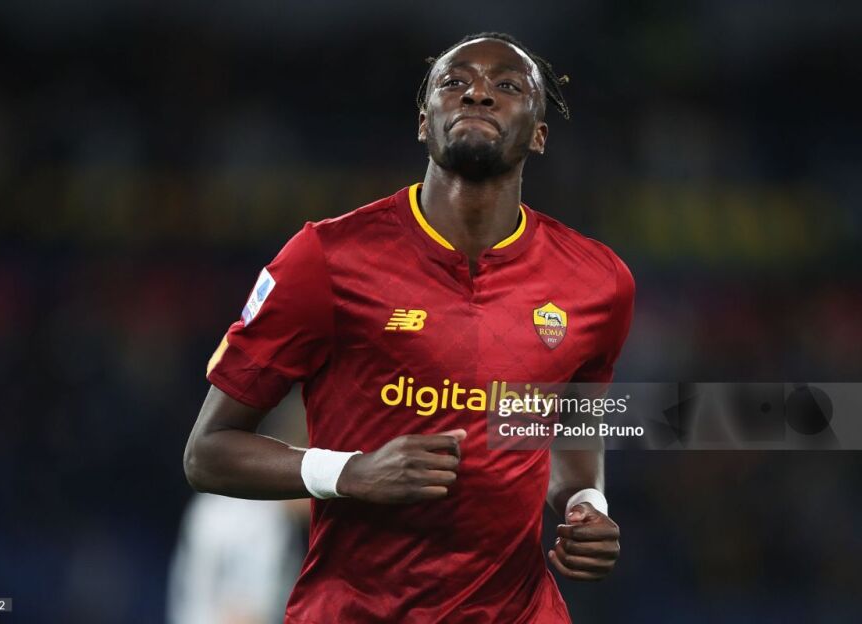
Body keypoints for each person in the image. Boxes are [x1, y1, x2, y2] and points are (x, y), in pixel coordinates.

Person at [184, 32, 634, 623]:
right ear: (424, 123)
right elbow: (207, 453)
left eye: (506, 85)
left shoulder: (598, 282)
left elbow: (571, 423)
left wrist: (587, 502)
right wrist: (349, 472)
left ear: (539, 134)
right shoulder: (326, 259)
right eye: (455, 82)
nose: (477, 93)